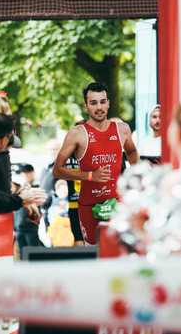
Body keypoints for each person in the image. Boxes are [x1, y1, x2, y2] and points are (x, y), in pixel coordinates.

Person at [53, 82, 139, 245]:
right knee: (94, 251)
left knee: (118, 248)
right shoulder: (77, 133)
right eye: (93, 103)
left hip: (117, 201)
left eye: (102, 102)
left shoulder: (122, 129)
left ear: (108, 103)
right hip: (89, 205)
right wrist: (90, 176)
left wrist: (137, 175)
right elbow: (57, 170)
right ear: (86, 106)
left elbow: (132, 152)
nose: (99, 107)